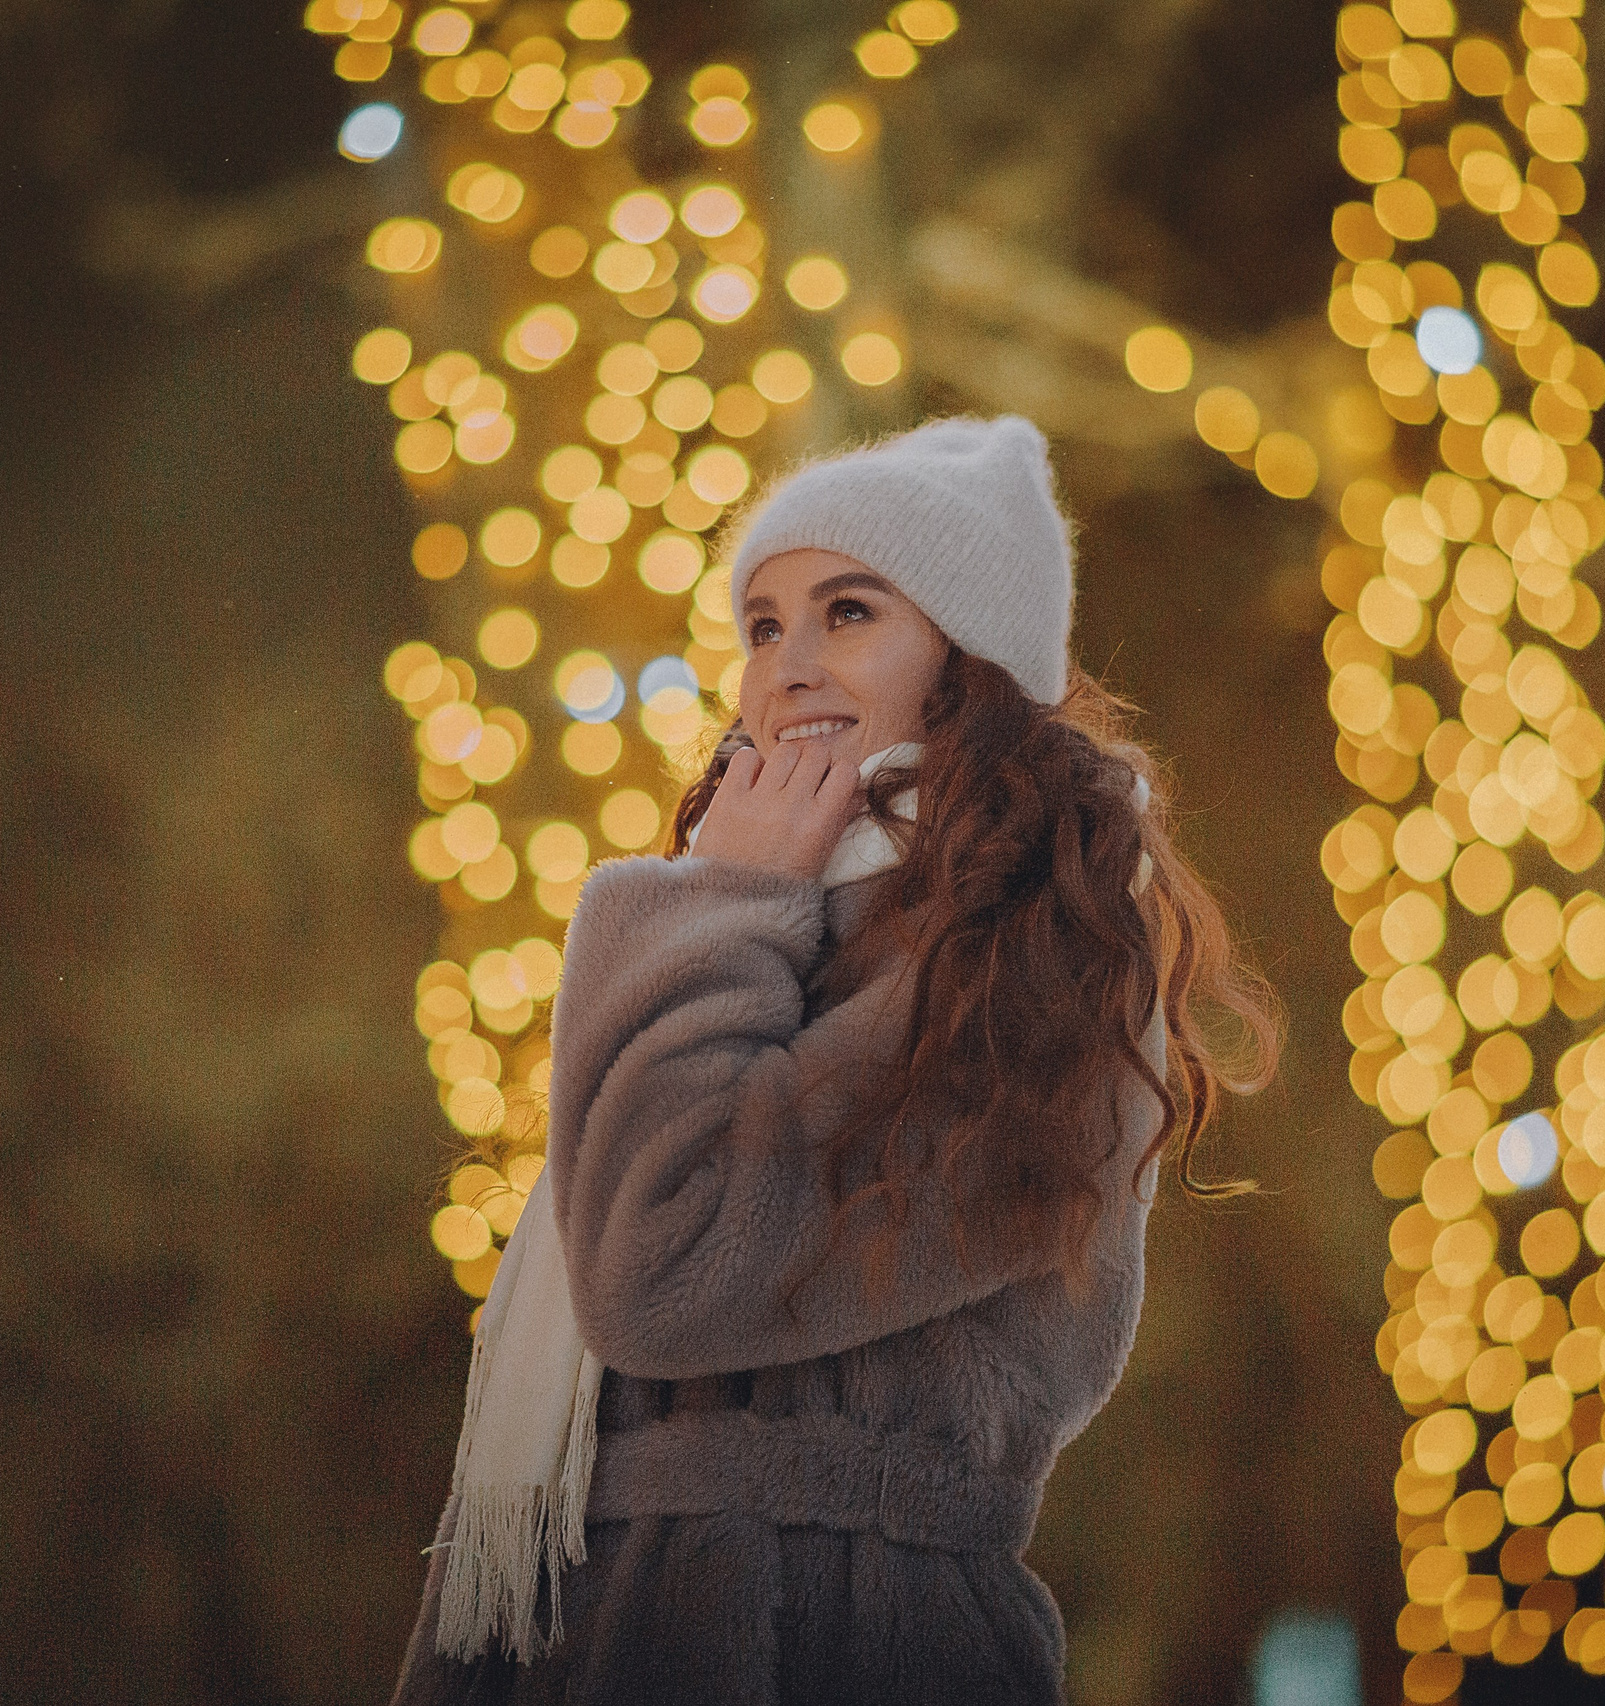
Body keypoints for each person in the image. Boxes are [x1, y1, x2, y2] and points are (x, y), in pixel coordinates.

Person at [391, 414, 1276, 1706]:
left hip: (836, 1632)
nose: (788, 664)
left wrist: (714, 909)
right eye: (761, 624)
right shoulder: (780, 916)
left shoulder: (1047, 956)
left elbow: (668, 1277)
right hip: (600, 1627)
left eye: (847, 611)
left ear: (964, 659)